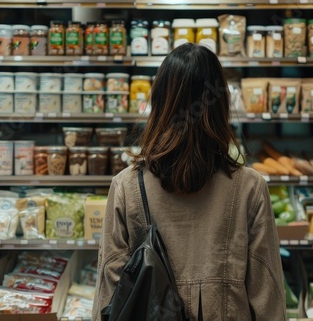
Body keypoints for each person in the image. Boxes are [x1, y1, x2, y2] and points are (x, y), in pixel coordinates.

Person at [92, 43, 287, 321]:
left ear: (158, 104)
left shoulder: (125, 186)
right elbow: (267, 297)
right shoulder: (249, 188)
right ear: (221, 106)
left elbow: (109, 295)